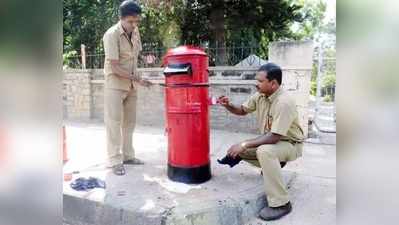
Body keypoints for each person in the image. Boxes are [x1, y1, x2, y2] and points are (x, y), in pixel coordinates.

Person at [218, 63, 305, 220]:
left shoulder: (284, 102)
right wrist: (228, 105)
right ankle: (276, 164)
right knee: (237, 152)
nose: (256, 84)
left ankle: (281, 203)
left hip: (291, 144)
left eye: (260, 81)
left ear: (273, 83)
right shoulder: (260, 95)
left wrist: (244, 144)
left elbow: (274, 137)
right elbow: (242, 110)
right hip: (274, 142)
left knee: (264, 151)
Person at [102, 0, 152, 176]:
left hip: (131, 84)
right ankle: (115, 160)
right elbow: (114, 67)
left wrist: (148, 60)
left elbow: (136, 54)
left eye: (136, 21)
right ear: (121, 18)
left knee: (129, 123)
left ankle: (128, 156)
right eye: (131, 21)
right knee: (114, 123)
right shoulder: (111, 35)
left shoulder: (135, 31)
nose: (134, 25)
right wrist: (137, 79)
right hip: (115, 84)